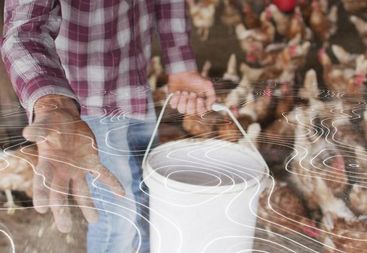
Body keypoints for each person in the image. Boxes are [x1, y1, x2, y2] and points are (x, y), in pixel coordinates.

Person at [1, 0, 216, 252]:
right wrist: (55, 104)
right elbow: (23, 29)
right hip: (81, 97)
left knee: (147, 203)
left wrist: (181, 66)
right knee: (118, 223)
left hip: (134, 79)